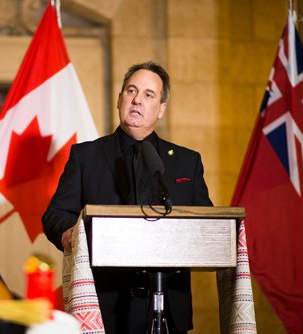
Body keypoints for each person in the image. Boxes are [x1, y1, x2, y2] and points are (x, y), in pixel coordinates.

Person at [42, 61, 213, 333]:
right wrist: (69, 234)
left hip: (169, 307)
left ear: (161, 109)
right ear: (119, 99)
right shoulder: (86, 157)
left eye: (148, 95)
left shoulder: (186, 162)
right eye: (131, 91)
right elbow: (56, 215)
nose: (137, 100)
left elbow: (208, 227)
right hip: (103, 308)